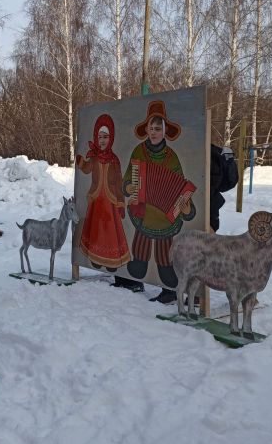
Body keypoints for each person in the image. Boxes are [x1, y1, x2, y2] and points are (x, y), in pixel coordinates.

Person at [121, 100, 196, 304]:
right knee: (139, 255)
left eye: (157, 129)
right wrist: (129, 187)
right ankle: (134, 280)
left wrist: (186, 207)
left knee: (164, 259)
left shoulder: (171, 157)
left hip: (164, 216)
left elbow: (181, 188)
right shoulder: (139, 151)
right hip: (143, 211)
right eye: (151, 128)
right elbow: (127, 179)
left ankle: (170, 290)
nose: (153, 132)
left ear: (164, 132)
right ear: (146, 129)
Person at [75, 114, 130, 271]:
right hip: (96, 199)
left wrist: (120, 202)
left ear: (111, 138)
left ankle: (111, 260)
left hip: (110, 201)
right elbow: (87, 169)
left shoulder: (114, 160)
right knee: (96, 229)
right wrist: (80, 161)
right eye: (100, 137)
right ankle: (96, 258)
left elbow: (119, 182)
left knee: (110, 231)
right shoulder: (94, 157)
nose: (102, 140)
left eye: (106, 137)